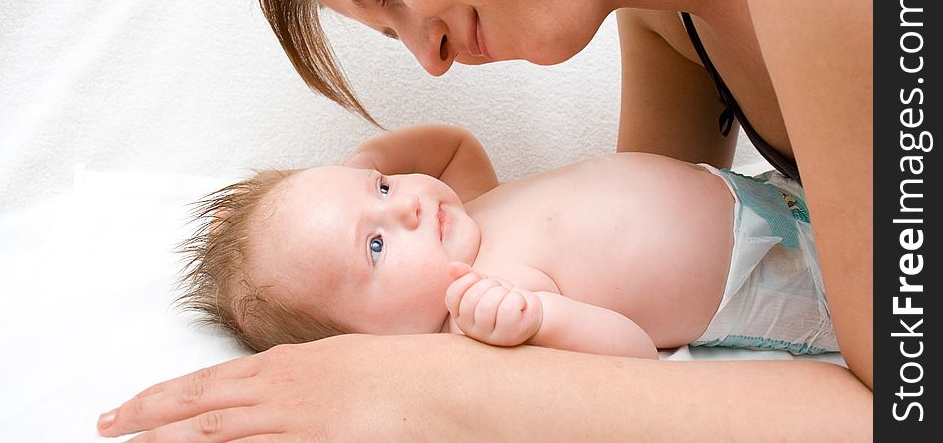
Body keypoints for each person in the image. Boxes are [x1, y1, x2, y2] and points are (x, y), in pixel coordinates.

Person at [98, 0, 873, 439]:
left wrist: (435, 393)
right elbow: (647, 321)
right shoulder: (668, 22)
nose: (429, 62)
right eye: (386, 27)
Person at [176, 124, 835, 358]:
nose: (407, 206)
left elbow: (454, 143)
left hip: (772, 191)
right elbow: (633, 353)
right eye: (374, 246)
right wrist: (541, 320)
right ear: (366, 341)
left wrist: (359, 164)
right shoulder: (483, 308)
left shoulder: (467, 207)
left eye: (380, 188)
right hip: (785, 278)